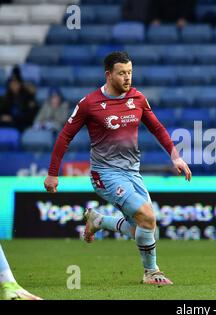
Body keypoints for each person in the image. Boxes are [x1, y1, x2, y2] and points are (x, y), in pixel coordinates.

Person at [44, 52, 192, 286]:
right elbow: (65, 136)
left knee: (144, 231)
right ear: (108, 74)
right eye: (122, 73)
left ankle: (99, 221)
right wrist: (53, 173)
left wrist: (176, 157)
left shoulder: (138, 98)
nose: (127, 78)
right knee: (147, 217)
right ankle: (151, 272)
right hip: (105, 175)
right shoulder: (89, 103)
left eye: (130, 73)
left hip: (132, 172)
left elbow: (157, 128)